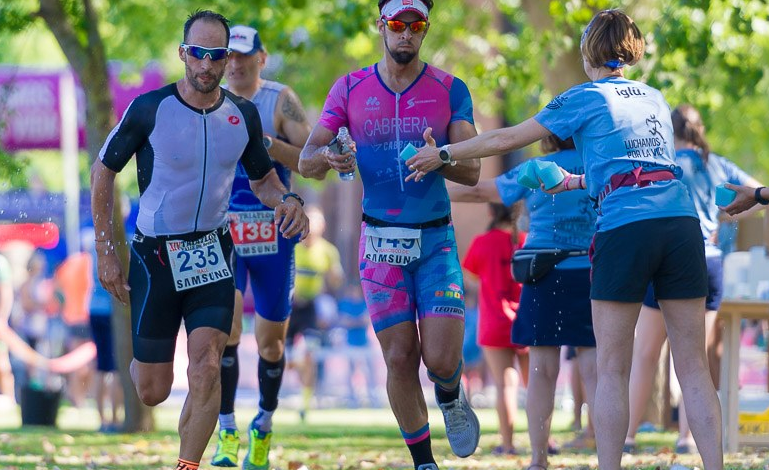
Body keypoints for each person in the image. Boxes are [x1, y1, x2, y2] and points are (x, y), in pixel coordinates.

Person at [408, 10, 723, 470]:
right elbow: (638, 168)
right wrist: (575, 182)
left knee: (612, 367)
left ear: (587, 50)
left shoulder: (585, 96)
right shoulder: (655, 98)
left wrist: (443, 153)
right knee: (693, 367)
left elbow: (509, 137)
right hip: (680, 223)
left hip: (625, 229)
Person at [90, 10, 309, 470]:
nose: (206, 65)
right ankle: (152, 371)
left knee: (207, 363)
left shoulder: (243, 115)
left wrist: (287, 200)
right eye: (197, 54)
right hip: (155, 255)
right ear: (183, 54)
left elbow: (265, 179)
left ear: (228, 59)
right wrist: (107, 252)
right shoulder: (150, 108)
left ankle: (187, 464)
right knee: (153, 390)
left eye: (215, 56)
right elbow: (103, 171)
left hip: (212, 249)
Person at [298, 1, 482, 468]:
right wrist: (331, 159)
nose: (406, 34)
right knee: (400, 357)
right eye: (397, 25)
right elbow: (306, 160)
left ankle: (451, 393)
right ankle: (424, 462)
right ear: (381, 26)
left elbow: (473, 170)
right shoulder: (350, 88)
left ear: (425, 30)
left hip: (435, 240)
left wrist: (440, 156)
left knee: (440, 359)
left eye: (415, 26)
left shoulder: (449, 88)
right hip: (379, 241)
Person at [449, 135, 597, 469]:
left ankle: (538, 460)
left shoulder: (536, 169)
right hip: (589, 271)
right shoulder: (596, 163)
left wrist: (427, 187)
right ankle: (609, 459)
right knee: (596, 371)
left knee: (542, 371)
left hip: (544, 273)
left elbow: (478, 191)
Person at [624, 104, 764, 454]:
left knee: (645, 353)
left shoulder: (663, 163)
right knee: (696, 357)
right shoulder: (716, 163)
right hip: (710, 259)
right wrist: (729, 215)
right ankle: (687, 438)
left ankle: (626, 437)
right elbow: (760, 194)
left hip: (669, 257)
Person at [210, 24, 312, 469]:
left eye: (243, 56)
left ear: (261, 58)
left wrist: (265, 142)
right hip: (224, 228)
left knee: (270, 343)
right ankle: (227, 429)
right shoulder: (205, 97)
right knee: (226, 330)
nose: (234, 64)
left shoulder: (279, 99)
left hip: (273, 232)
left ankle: (264, 424)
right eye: (228, 55)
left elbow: (313, 160)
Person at [461, 202, 530, 456]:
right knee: (537, 384)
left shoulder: (482, 242)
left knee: (505, 385)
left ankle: (509, 444)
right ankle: (544, 442)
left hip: (495, 322)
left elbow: (471, 277)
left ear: (491, 212)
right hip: (528, 320)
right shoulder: (526, 240)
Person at [288, 206, 343, 421]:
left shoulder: (328, 251)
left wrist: (334, 277)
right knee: (287, 360)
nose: (313, 228)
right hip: (289, 307)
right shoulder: (292, 246)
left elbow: (336, 281)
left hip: (310, 309)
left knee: (309, 355)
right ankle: (293, 366)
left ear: (323, 227)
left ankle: (304, 403)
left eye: (318, 224)